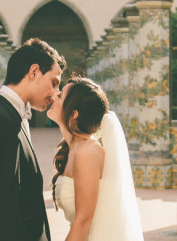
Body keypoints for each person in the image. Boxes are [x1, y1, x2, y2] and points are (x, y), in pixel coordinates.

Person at [0, 38, 66, 241]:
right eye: (54, 82)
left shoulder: (11, 115)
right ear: (33, 72)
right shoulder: (0, 120)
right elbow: (4, 209)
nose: (56, 93)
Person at [47, 77, 144, 241]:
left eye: (60, 95)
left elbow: (84, 220)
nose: (53, 96)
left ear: (73, 113)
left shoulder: (88, 152)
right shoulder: (76, 148)